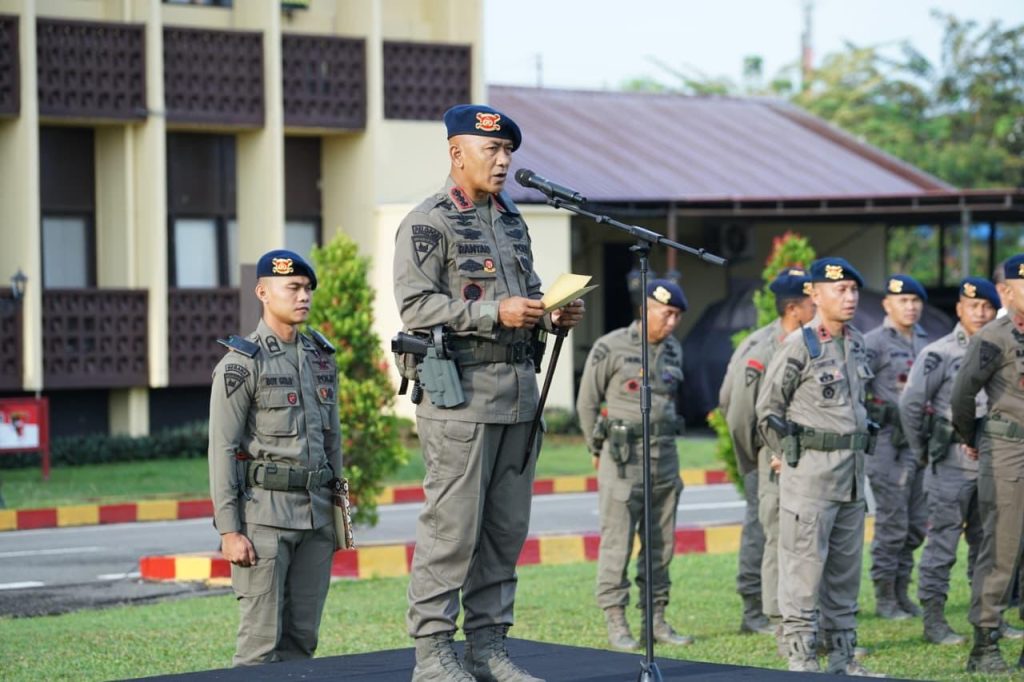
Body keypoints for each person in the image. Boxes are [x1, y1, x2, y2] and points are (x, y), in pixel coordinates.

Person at [393, 103, 585, 682]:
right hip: (461, 398)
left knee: (504, 532)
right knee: (451, 531)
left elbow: (527, 293)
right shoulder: (429, 222)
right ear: (457, 153)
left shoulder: (511, 220)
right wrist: (492, 312)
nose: (503, 161)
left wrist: (551, 313)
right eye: (492, 150)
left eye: (508, 151)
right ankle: (433, 654)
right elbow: (417, 306)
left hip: (518, 395)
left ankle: (488, 647)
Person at [207, 249, 342, 666]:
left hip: (316, 520)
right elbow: (221, 449)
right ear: (263, 293)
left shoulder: (321, 358)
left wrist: (339, 516)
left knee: (303, 642)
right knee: (259, 648)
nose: (303, 296)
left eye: (307, 289)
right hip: (265, 521)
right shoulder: (241, 363)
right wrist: (229, 530)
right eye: (293, 288)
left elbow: (333, 441)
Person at [755, 257, 882, 676]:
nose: (850, 297)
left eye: (853, 289)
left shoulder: (857, 343)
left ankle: (843, 659)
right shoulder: (799, 344)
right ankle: (802, 659)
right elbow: (767, 411)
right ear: (814, 294)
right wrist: (786, 454)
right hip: (810, 477)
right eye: (840, 290)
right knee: (803, 576)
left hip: (851, 479)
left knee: (845, 577)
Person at [577, 279, 693, 652]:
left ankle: (655, 619)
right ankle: (616, 620)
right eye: (666, 314)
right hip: (623, 459)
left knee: (662, 545)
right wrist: (596, 448)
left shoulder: (673, 350)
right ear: (645, 309)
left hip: (665, 457)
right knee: (617, 544)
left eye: (677, 316)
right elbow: (587, 403)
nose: (672, 322)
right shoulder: (610, 347)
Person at [900, 277, 998, 645]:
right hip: (951, 466)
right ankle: (934, 621)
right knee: (942, 545)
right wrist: (923, 451)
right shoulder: (939, 353)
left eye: (987, 307)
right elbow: (911, 404)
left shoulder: (1002, 349)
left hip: (992, 465)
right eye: (973, 306)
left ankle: (988, 619)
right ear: (959, 309)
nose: (981, 313)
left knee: (988, 546)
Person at [720, 269, 815, 639]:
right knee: (763, 531)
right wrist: (755, 459)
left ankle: (794, 609)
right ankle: (756, 610)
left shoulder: (814, 340)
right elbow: (737, 411)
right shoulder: (761, 347)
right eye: (811, 302)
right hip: (769, 457)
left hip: (804, 457)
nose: (818, 306)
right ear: (793, 309)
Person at [950, 254, 1024, 673]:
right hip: (1007, 451)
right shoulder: (993, 337)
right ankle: (985, 647)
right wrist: (971, 436)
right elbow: (962, 394)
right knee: (1001, 548)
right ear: (1006, 292)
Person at [863, 275, 930, 620]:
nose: (910, 307)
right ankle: (886, 596)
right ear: (887, 304)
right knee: (892, 523)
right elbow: (855, 389)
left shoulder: (925, 341)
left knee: (916, 524)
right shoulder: (873, 343)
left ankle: (902, 590)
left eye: (915, 301)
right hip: (887, 445)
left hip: (919, 444)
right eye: (903, 300)